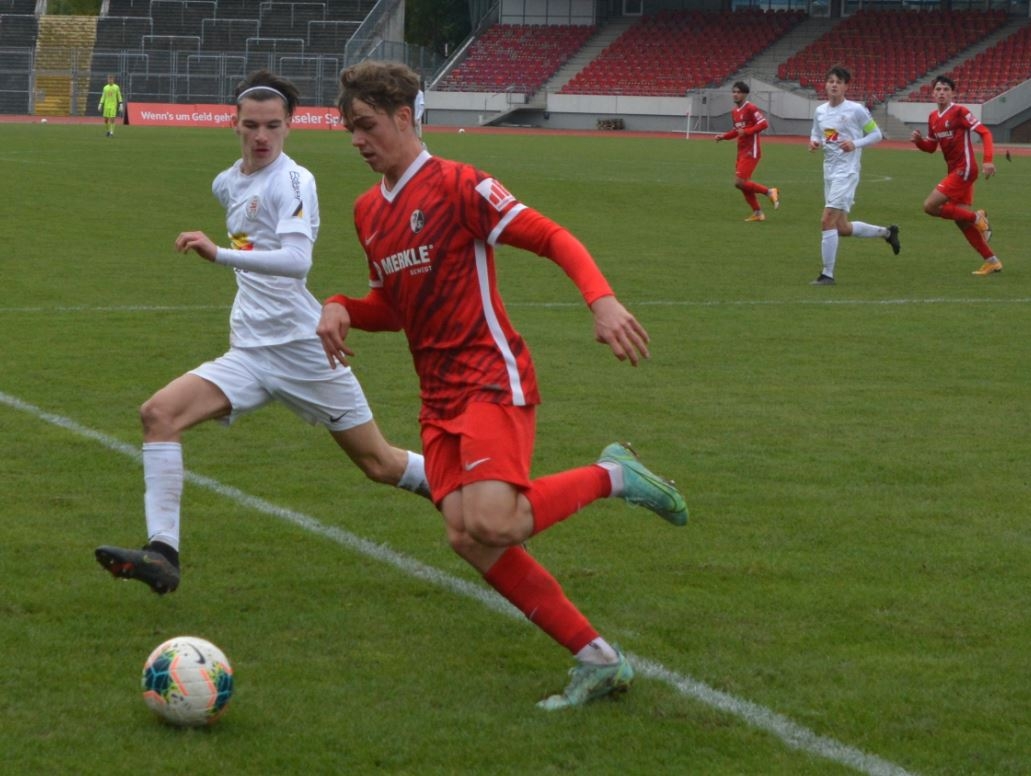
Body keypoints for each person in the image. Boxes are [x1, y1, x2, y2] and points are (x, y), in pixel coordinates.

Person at [318, 60, 688, 711]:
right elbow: (393, 307)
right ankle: (596, 658)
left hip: (490, 378)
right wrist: (343, 304)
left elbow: (550, 236)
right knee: (466, 534)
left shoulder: (461, 186)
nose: (356, 139)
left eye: (366, 125)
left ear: (405, 117)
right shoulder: (367, 212)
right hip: (436, 399)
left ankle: (616, 475)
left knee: (494, 520)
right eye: (349, 128)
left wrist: (600, 301)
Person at [95, 70, 430, 595]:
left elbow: (297, 261)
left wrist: (219, 253)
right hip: (250, 351)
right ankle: (162, 554)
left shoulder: (293, 181)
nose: (261, 136)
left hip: (303, 350)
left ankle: (471, 495)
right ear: (234, 124)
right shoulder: (228, 181)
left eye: (273, 126)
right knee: (157, 414)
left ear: (289, 127)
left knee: (379, 463)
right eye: (251, 125)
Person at [807, 66, 901, 285]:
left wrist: (855, 143)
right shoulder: (820, 111)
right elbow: (816, 133)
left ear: (846, 86)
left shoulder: (856, 110)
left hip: (847, 172)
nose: (833, 85)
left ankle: (827, 275)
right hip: (829, 172)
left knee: (827, 220)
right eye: (830, 81)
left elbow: (877, 134)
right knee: (842, 228)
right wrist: (814, 142)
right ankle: (887, 233)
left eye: (838, 82)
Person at [910, 75, 1000, 276]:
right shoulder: (933, 117)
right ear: (932, 93)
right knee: (961, 221)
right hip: (955, 171)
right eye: (938, 89)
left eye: (945, 89)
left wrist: (987, 159)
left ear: (952, 93)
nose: (941, 92)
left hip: (965, 169)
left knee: (930, 206)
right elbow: (932, 147)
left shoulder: (960, 112)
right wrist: (918, 141)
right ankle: (992, 261)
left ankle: (977, 217)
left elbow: (985, 133)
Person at [715, 81, 779, 221]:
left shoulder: (751, 108)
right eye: (734, 91)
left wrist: (747, 131)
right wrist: (724, 137)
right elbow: (737, 131)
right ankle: (758, 213)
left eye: (738, 92)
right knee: (743, 185)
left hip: (751, 151)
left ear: (744, 94)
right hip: (741, 151)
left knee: (739, 182)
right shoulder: (734, 112)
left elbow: (763, 124)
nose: (735, 94)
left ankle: (769, 192)